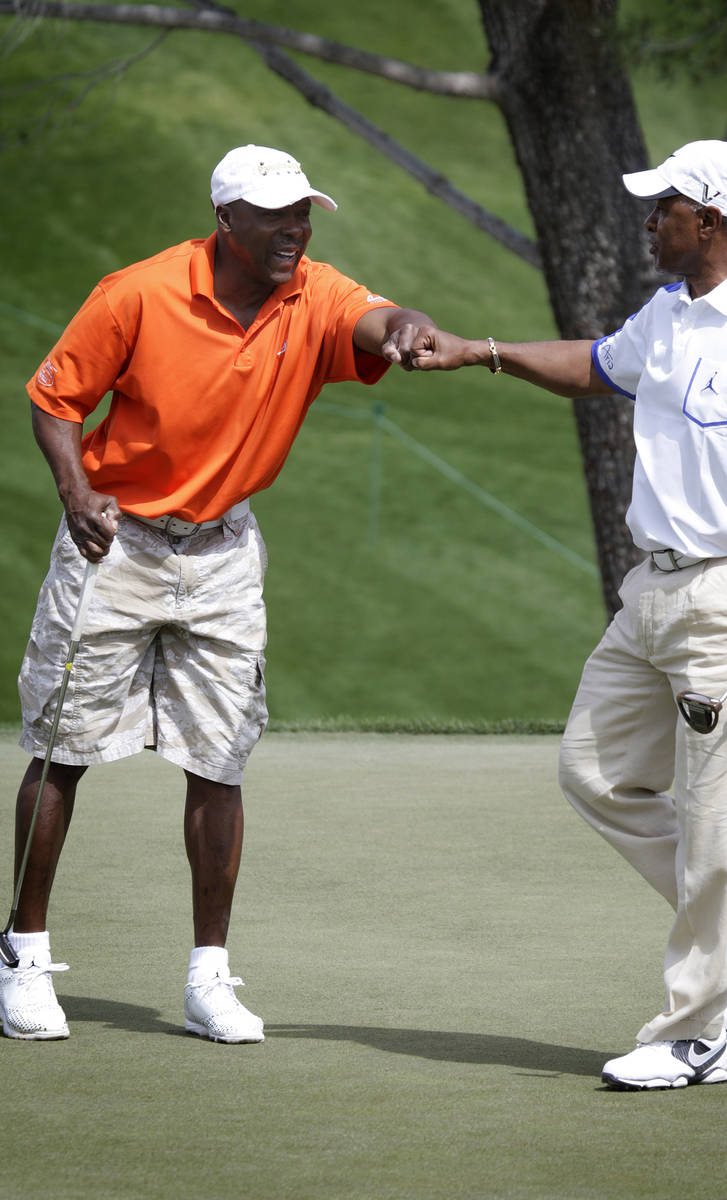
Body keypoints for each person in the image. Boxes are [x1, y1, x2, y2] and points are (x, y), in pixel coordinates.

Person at [409, 140, 727, 1089]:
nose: (649, 221)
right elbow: (596, 366)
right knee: (593, 772)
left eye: (665, 208)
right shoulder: (671, 313)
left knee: (714, 820)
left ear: (715, 221)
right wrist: (479, 351)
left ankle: (695, 1036)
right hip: (649, 592)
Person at [0, 144, 439, 1044]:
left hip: (226, 549)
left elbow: (376, 316)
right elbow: (54, 398)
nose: (295, 230)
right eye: (275, 215)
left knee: (220, 758)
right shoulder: (138, 291)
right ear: (225, 220)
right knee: (61, 744)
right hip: (115, 538)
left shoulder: (310, 291)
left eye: (303, 213)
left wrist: (404, 326)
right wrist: (74, 491)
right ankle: (24, 953)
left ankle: (209, 977)